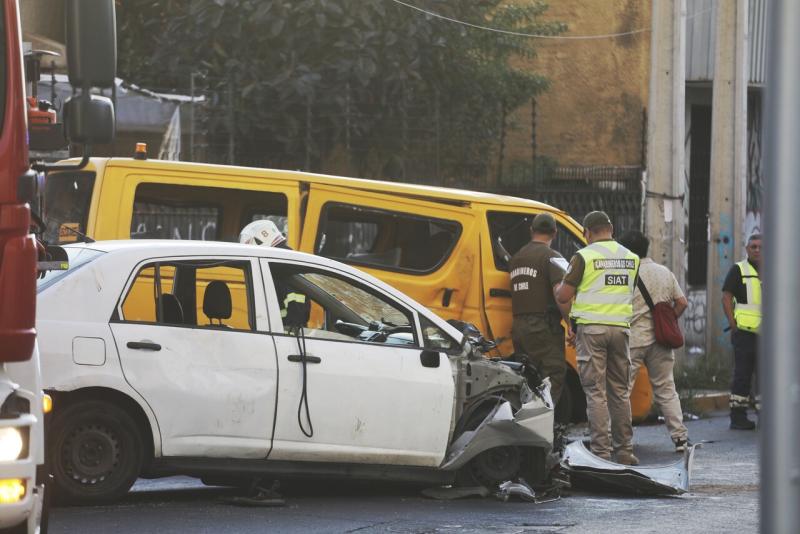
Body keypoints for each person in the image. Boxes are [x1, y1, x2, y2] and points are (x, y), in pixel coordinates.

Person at [555, 211, 640, 465]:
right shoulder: (631, 257)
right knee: (620, 392)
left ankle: (601, 452)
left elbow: (563, 296)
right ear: (611, 228)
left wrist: (562, 285)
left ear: (587, 232)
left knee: (595, 392)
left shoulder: (584, 256)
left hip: (592, 330)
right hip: (621, 330)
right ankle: (624, 450)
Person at [618, 230, 690, 452]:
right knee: (666, 389)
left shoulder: (622, 274)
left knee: (622, 391)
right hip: (660, 341)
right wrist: (666, 322)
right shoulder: (663, 272)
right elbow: (682, 302)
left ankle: (622, 440)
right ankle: (680, 438)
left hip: (632, 339)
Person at [509, 213, 573, 411]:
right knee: (553, 374)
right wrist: (571, 324)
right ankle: (541, 425)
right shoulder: (552, 257)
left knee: (528, 377)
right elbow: (560, 294)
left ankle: (524, 422)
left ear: (531, 231)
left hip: (519, 326)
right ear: (554, 233)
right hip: (543, 327)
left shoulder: (516, 258)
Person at [722, 233, 762, 430]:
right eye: (753, 247)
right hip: (744, 333)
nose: (756, 250)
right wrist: (733, 324)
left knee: (766, 376)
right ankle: (738, 417)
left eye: (760, 247)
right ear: (747, 249)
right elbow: (726, 297)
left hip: (768, 336)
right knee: (743, 375)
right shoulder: (738, 270)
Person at [239, 220, 309, 330]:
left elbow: (295, 318)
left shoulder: (284, 270)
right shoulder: (289, 265)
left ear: (259, 243)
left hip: (287, 338)